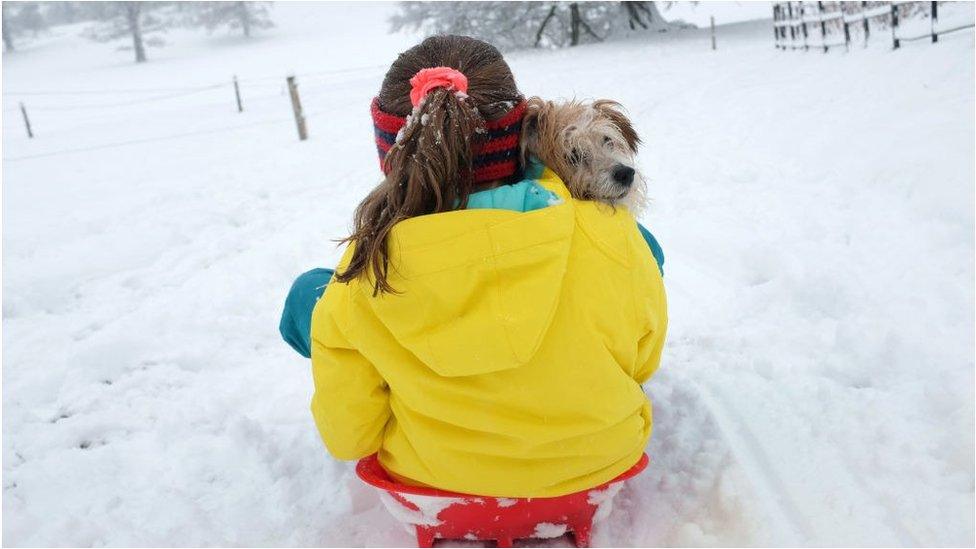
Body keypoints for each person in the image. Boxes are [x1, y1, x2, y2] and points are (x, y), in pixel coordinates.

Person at [283, 35, 668, 498]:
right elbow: (641, 366)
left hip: (432, 476)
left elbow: (350, 439)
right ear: (518, 140)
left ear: (393, 155)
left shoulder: (366, 270)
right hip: (601, 463)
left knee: (314, 295)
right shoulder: (614, 237)